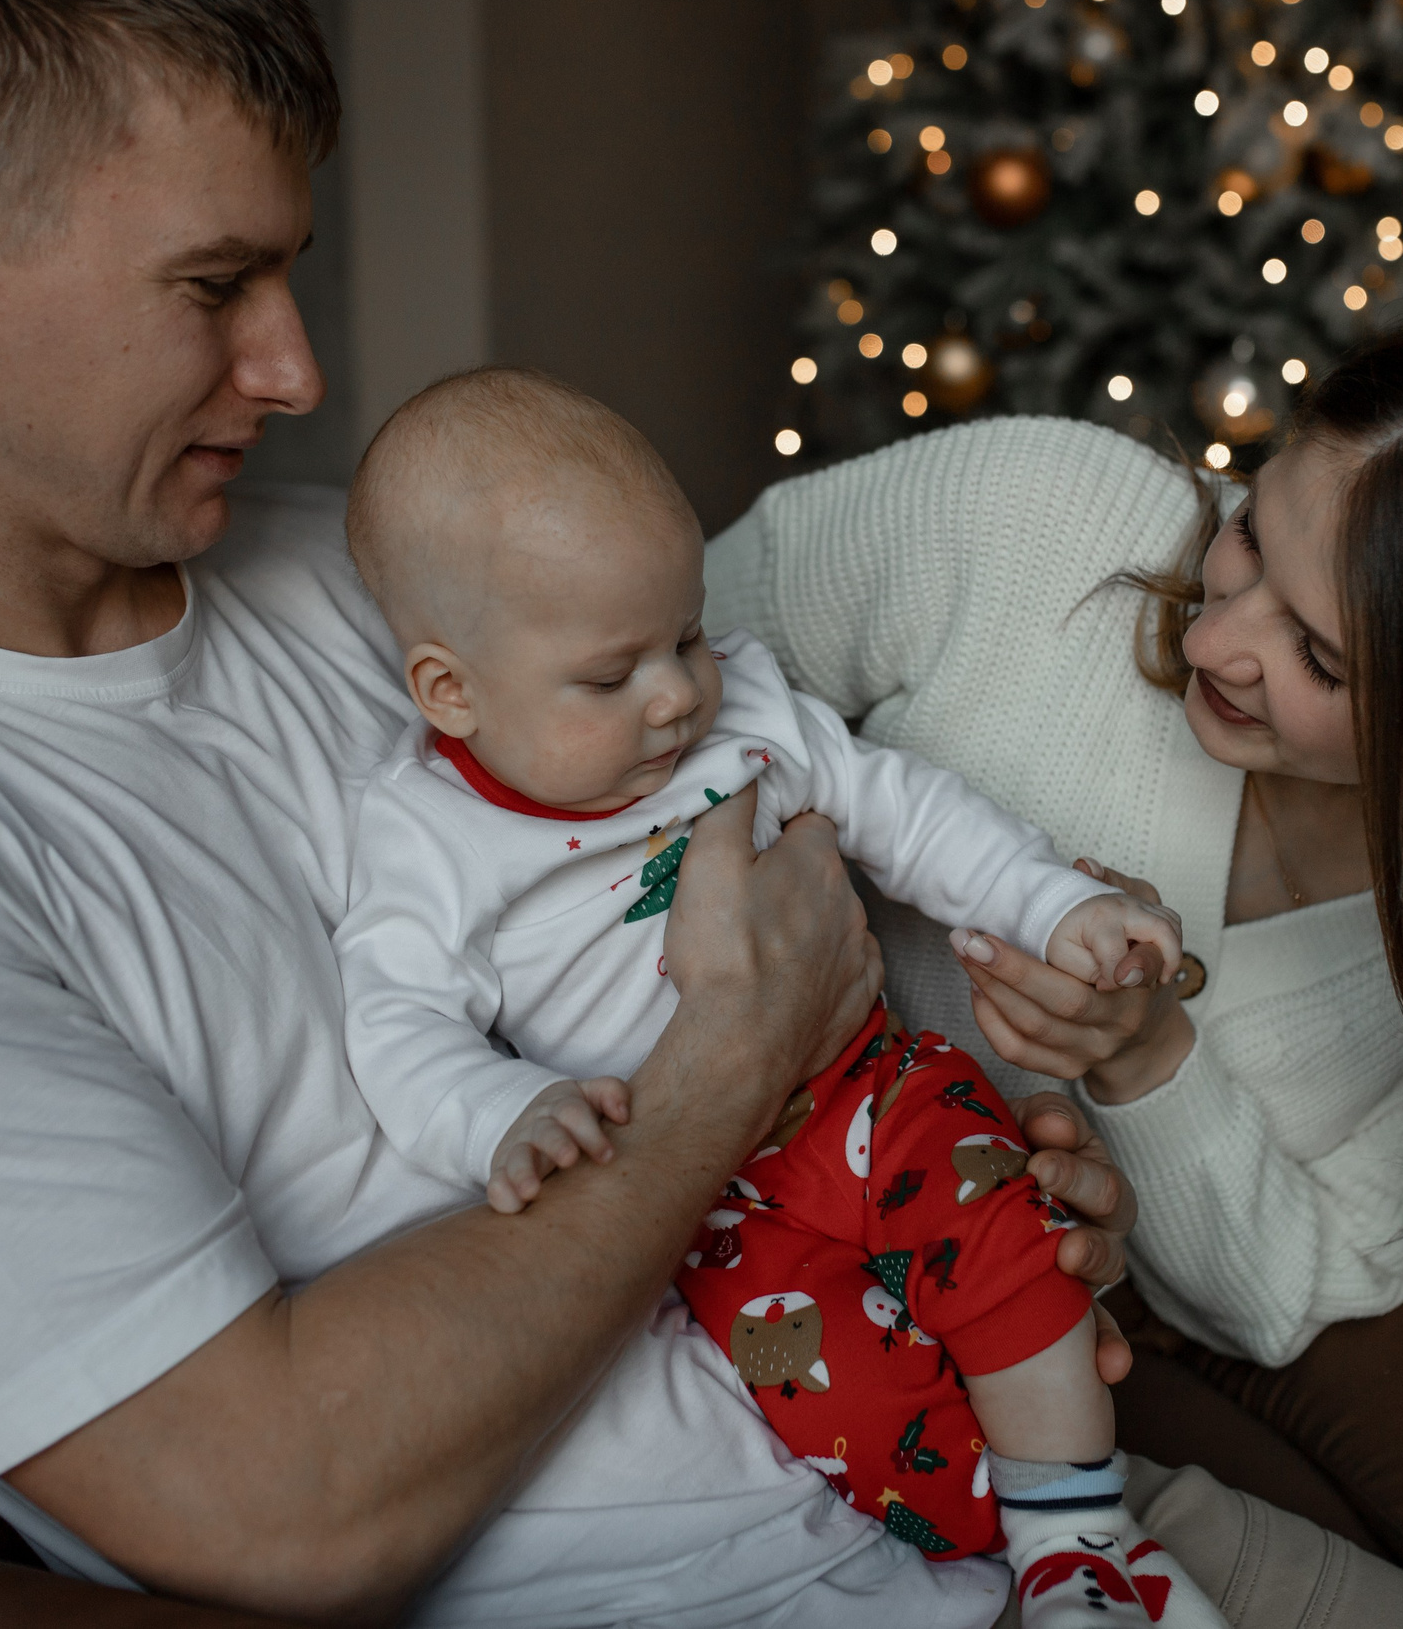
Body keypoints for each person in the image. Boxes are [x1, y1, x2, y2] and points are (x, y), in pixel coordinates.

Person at [0, 0, 1403, 1625]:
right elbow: (282, 1502)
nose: (298, 367)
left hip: (978, 1475)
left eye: (291, 276)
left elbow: (771, 778)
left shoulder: (365, 577)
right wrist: (737, 1061)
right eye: (212, 284)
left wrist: (985, 1153)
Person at [706, 312, 1403, 1629]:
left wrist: (1140, 1057)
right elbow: (634, 680)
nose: (1215, 638)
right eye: (1249, 530)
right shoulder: (1030, 514)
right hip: (920, 1235)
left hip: (1242, 1282)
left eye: (1322, 656)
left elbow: (1272, 1293)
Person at [335, 367, 1218, 1628]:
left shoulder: (742, 709)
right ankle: (1015, 1551)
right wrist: (498, 1112)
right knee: (838, 1398)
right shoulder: (428, 840)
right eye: (611, 675)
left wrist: (1050, 905)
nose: (677, 694)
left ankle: (1082, 1538)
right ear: (450, 691)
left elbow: (904, 809)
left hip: (868, 1087)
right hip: (704, 1200)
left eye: (684, 635)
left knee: (1009, 1249)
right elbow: (395, 1021)